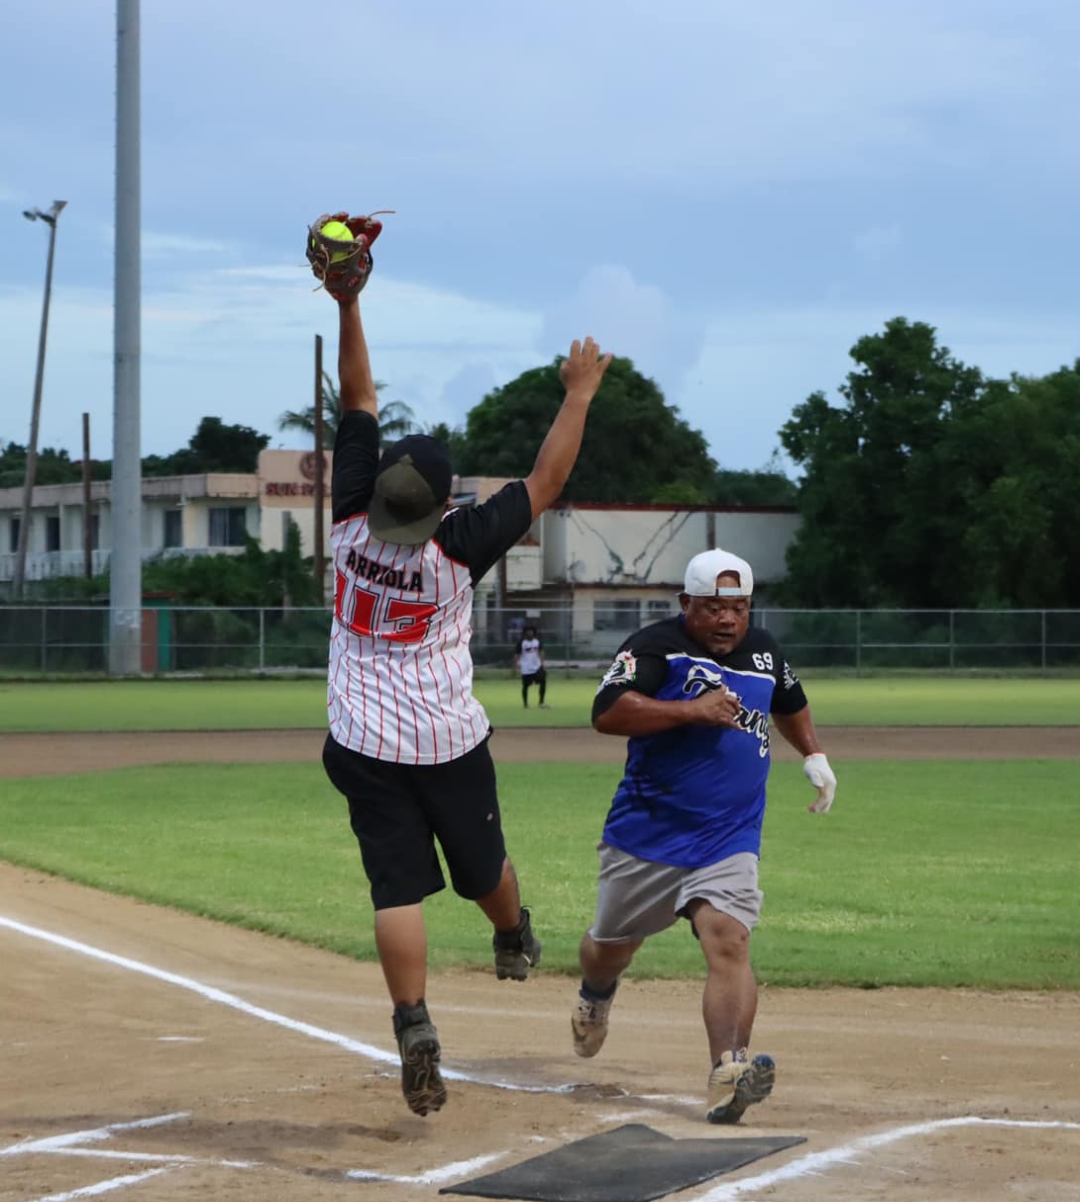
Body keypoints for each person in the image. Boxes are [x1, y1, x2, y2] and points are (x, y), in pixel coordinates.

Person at [320, 274, 611, 1119]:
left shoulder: (345, 523)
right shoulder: (454, 553)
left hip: (360, 742)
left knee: (395, 890)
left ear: (378, 494)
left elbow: (359, 394)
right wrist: (579, 394)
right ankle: (512, 932)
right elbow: (546, 481)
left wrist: (346, 302)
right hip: (444, 738)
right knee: (483, 866)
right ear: (443, 505)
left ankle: (413, 1025)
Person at [570, 548, 837, 1124]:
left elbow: (790, 702)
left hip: (728, 834)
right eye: (714, 607)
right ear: (686, 603)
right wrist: (691, 710)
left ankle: (728, 1074)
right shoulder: (652, 646)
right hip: (648, 835)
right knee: (609, 950)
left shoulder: (764, 649)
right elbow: (607, 713)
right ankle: (595, 994)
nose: (727, 620)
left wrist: (813, 753)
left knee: (729, 939)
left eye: (738, 608)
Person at [515, 627, 548, 708]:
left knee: (543, 681)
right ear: (525, 633)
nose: (530, 633)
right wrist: (516, 667)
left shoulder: (537, 642)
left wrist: (543, 664)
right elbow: (517, 655)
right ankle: (525, 704)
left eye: (531, 632)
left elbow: (541, 652)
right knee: (525, 686)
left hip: (537, 666)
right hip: (526, 668)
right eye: (528, 632)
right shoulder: (522, 643)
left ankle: (541, 702)